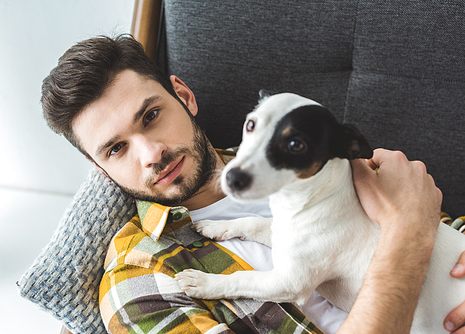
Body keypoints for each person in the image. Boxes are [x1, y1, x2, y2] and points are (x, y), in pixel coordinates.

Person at [42, 35, 465, 334]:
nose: (151, 153)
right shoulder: (137, 283)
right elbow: (414, 225)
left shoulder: (326, 154)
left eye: (151, 115)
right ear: (98, 170)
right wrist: (405, 238)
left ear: (184, 97)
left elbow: (447, 233)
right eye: (116, 149)